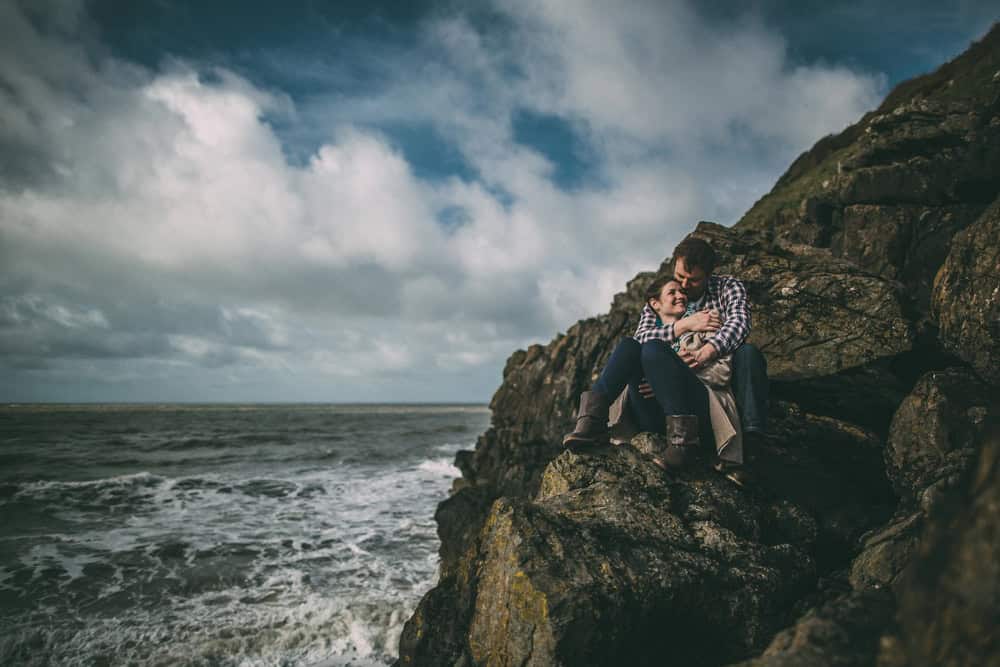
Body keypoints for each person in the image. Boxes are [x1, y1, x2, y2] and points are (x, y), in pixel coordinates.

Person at [564, 235, 769, 486]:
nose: (682, 286)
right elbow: (641, 340)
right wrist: (683, 326)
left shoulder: (723, 295)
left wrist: (698, 356)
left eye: (691, 281)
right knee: (632, 346)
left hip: (694, 399)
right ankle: (591, 421)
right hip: (652, 406)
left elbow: (738, 324)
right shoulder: (660, 307)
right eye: (678, 277)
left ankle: (747, 447)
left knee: (748, 353)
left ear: (709, 275)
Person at [563, 276, 715, 469]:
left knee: (652, 349)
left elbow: (723, 370)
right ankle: (591, 423)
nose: (681, 295)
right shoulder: (646, 334)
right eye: (672, 292)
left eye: (683, 292)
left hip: (693, 411)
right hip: (652, 415)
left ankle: (684, 444)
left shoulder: (704, 321)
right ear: (655, 303)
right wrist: (658, 376)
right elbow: (641, 345)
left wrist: (671, 378)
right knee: (629, 346)